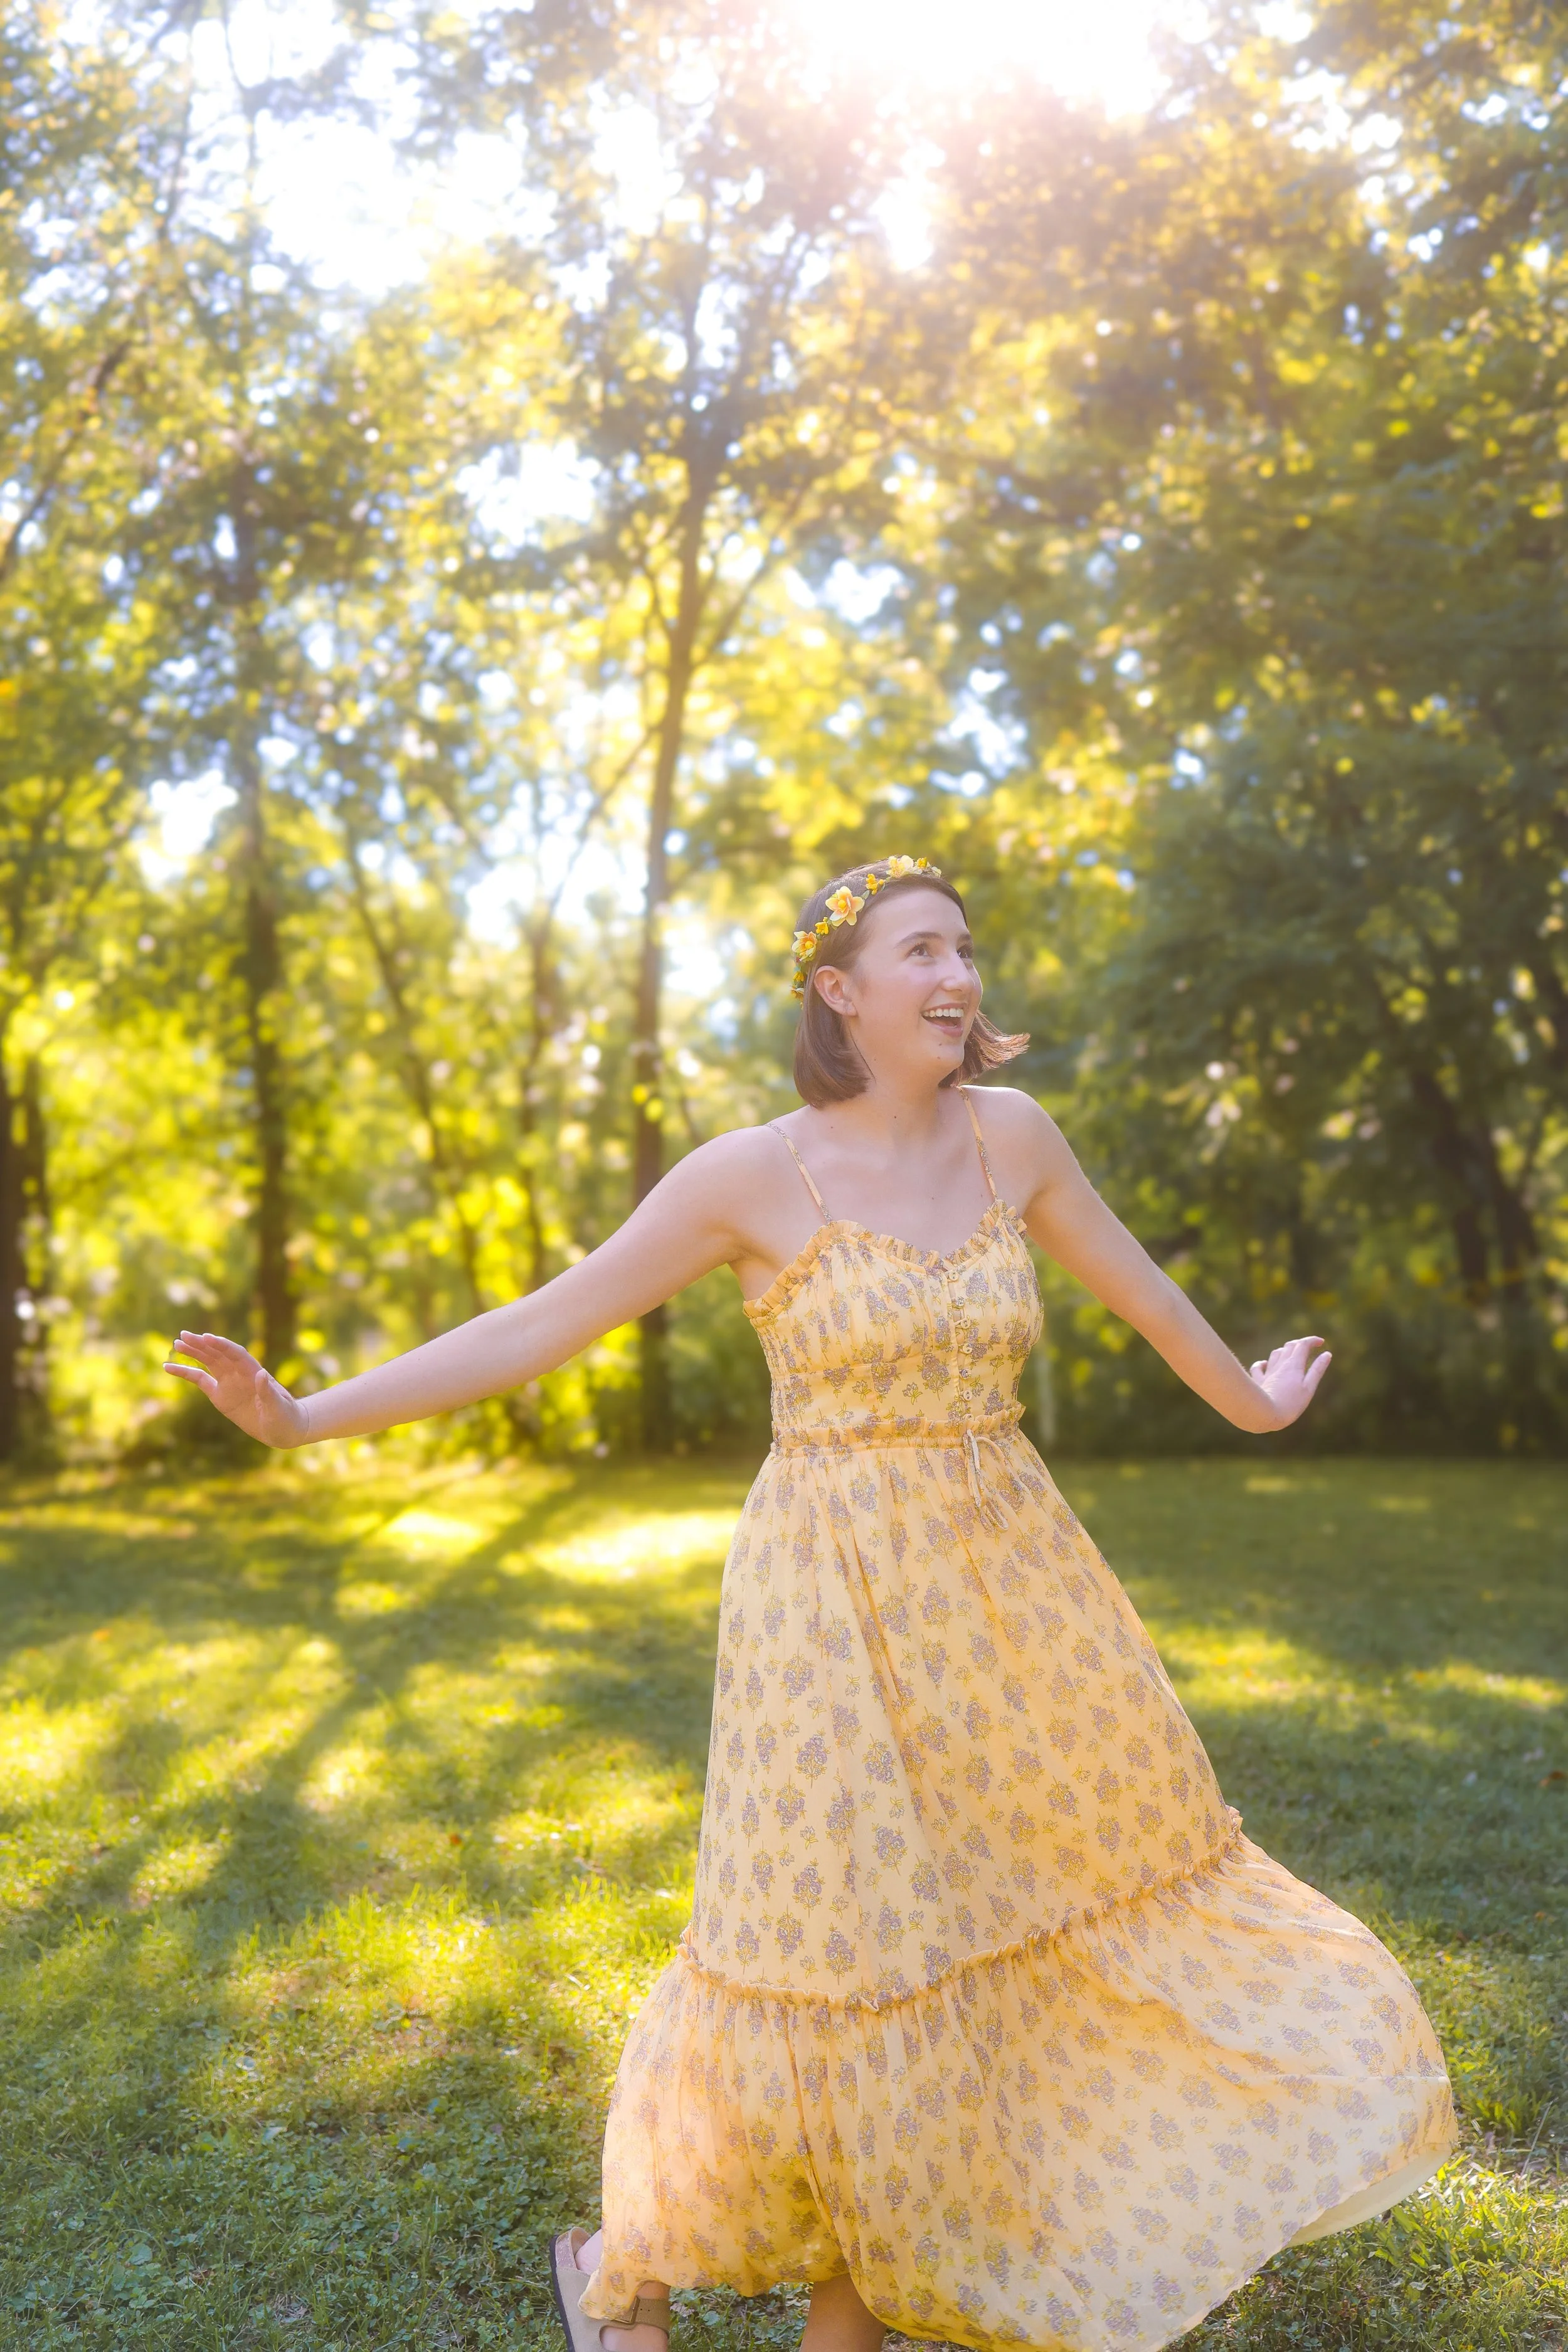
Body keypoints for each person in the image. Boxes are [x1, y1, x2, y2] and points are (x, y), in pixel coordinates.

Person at [166, 855, 1455, 2352]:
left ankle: (831, 2315)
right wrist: (306, 1416)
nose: (957, 977)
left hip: (1012, 1594)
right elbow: (546, 1319)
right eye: (921, 951)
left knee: (989, 1933)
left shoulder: (1013, 1141)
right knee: (835, 1962)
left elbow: (1149, 1300)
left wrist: (1253, 1405)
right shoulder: (747, 1176)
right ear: (838, 991)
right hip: (824, 1609)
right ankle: (625, 2286)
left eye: (964, 950)